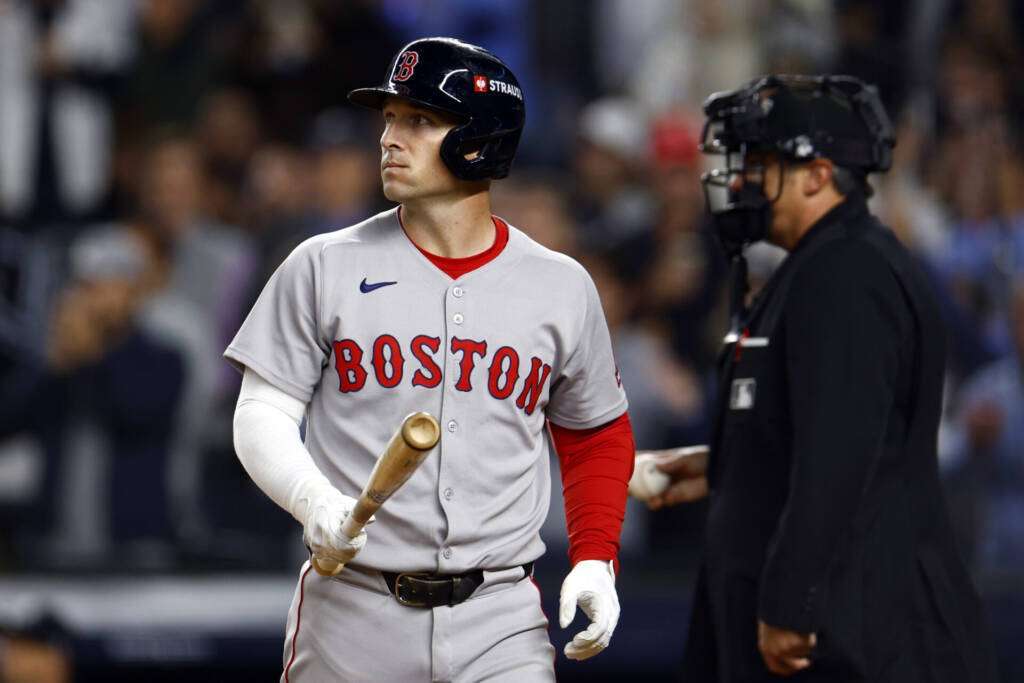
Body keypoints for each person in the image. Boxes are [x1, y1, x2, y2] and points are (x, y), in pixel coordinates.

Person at [225, 37, 635, 681]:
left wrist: (594, 557)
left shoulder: (560, 285)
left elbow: (595, 433)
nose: (390, 138)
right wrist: (314, 501)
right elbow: (261, 412)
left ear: (481, 137)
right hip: (353, 608)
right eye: (389, 118)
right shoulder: (322, 264)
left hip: (500, 616)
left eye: (419, 120)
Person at [634, 75, 998, 682]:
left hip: (856, 636)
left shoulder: (848, 273)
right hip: (830, 627)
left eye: (761, 164)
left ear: (817, 174)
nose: (742, 181)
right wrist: (720, 467)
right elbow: (813, 429)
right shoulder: (813, 267)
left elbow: (842, 453)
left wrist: (791, 601)